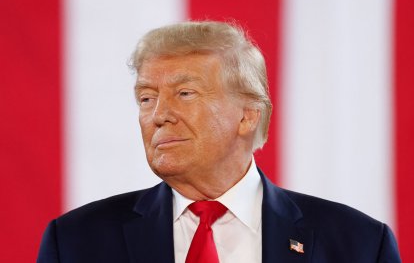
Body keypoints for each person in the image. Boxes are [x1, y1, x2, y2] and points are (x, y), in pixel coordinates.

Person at [38, 21, 401, 263]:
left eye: (184, 93)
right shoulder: (75, 243)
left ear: (247, 115)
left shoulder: (360, 245)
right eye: (146, 97)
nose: (158, 114)